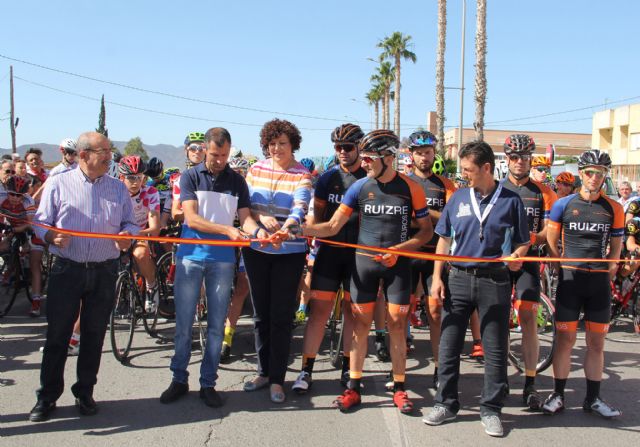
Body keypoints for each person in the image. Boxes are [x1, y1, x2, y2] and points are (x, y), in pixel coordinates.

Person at [303, 129, 433, 414]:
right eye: (362, 157)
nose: (364, 162)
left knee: (397, 325)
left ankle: (400, 388)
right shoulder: (359, 187)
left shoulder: (412, 188)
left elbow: (426, 232)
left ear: (388, 157)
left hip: (398, 266)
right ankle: (353, 387)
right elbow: (332, 226)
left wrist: (401, 249)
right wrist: (301, 229)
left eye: (369, 157)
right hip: (364, 265)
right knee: (360, 326)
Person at [29, 131, 138, 422]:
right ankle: (47, 396)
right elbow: (40, 221)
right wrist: (51, 235)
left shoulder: (117, 188)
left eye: (109, 151)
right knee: (58, 336)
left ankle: (85, 392)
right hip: (68, 269)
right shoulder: (58, 183)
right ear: (84, 155)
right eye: (103, 151)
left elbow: (131, 222)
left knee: (93, 335)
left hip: (104, 270)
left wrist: (128, 235)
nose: (109, 156)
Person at [423, 140, 529, 437]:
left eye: (469, 169)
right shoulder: (457, 198)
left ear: (486, 168)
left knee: (495, 349)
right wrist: (437, 278)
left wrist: (516, 257)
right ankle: (446, 403)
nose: (464, 173)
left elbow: (523, 241)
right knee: (449, 345)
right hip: (456, 278)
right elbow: (443, 239)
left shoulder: (511, 200)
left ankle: (491, 409)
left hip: (494, 280)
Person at [160, 127, 265, 408]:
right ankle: (179, 379)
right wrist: (226, 231)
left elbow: (245, 219)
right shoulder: (190, 176)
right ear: (205, 148)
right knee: (183, 324)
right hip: (191, 257)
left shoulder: (237, 182)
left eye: (225, 155)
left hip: (222, 260)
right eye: (216, 154)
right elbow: (191, 219)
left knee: (217, 326)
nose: (220, 160)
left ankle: (208, 383)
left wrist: (258, 234)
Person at [542, 149, 624, 419]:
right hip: (570, 279)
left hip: (598, 283)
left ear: (604, 176)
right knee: (565, 340)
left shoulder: (614, 208)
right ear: (581, 174)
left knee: (597, 344)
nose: (594, 178)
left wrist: (611, 267)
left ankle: (593, 398)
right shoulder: (563, 204)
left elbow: (615, 245)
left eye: (599, 174)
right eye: (589, 172)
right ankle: (558, 394)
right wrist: (557, 261)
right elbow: (552, 238)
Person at [291, 123, 366, 394]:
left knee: (352, 314)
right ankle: (306, 370)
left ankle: (349, 369)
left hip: (359, 257)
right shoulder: (326, 179)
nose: (342, 152)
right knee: (318, 314)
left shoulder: (369, 178)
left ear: (359, 148)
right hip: (329, 253)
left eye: (348, 147)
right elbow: (317, 218)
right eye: (338, 147)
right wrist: (309, 236)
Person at [241, 118, 312, 404]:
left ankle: (277, 379)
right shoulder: (255, 169)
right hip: (256, 249)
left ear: (293, 144)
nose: (277, 149)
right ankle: (262, 371)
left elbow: (301, 207)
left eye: (282, 143)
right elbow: (245, 207)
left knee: (281, 317)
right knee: (260, 316)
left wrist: (287, 228)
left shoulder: (302, 173)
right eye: (272, 144)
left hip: (289, 252)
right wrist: (260, 219)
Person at [501, 134, 557, 410]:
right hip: (498, 261)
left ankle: (530, 383)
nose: (520, 162)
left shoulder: (543, 192)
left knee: (528, 321)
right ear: (506, 159)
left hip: (529, 262)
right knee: (497, 320)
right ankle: (499, 380)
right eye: (515, 157)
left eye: (525, 158)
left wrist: (528, 242)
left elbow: (550, 230)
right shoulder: (496, 188)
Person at [404, 130, 456, 390]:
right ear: (411, 155)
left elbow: (451, 219)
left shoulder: (446, 185)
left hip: (436, 255)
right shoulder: (404, 182)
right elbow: (404, 219)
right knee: (401, 311)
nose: (424, 157)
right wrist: (431, 218)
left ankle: (439, 368)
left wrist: (422, 215)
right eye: (419, 152)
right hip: (409, 254)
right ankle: (399, 370)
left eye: (428, 152)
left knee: (436, 312)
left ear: (434, 153)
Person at [118, 155, 161, 312]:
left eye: (139, 177)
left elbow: (155, 228)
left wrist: (135, 234)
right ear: (122, 177)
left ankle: (151, 284)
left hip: (139, 232)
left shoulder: (150, 193)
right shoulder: (114, 191)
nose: (135, 182)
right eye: (130, 178)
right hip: (117, 234)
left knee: (141, 254)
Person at [220, 156, 252, 362]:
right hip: (224, 241)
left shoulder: (249, 186)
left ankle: (227, 338)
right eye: (236, 171)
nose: (240, 175)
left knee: (241, 287)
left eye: (243, 171)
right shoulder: (224, 185)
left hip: (246, 240)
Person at [171, 132, 207, 223]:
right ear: (186, 151)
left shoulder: (215, 176)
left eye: (201, 148)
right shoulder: (179, 180)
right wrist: (193, 215)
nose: (197, 151)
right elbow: (175, 213)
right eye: (193, 148)